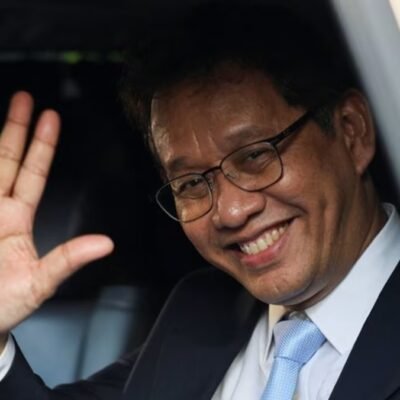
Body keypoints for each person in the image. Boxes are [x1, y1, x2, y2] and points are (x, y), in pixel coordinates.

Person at [1, 3, 400, 399]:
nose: (230, 211)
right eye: (191, 182)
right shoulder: (201, 311)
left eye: (256, 156)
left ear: (352, 132)